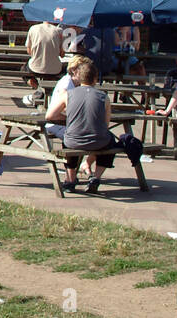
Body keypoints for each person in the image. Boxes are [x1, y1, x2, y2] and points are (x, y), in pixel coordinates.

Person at [61, 59, 117, 193]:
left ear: (79, 78)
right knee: (110, 140)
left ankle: (70, 179)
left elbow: (49, 115)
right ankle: (96, 177)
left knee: (69, 138)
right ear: (95, 79)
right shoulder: (104, 97)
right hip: (98, 141)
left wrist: (69, 117)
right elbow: (106, 124)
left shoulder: (68, 94)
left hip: (73, 140)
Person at [43, 54, 93, 140]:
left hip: (69, 123)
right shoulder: (66, 85)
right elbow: (67, 109)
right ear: (74, 70)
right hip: (57, 123)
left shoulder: (78, 83)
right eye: (83, 69)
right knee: (86, 138)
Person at [23, 17, 65, 107]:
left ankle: (39, 89)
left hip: (35, 67)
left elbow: (29, 51)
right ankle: (49, 91)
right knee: (65, 72)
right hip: (55, 69)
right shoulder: (59, 31)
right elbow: (62, 54)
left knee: (23, 70)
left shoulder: (33, 28)